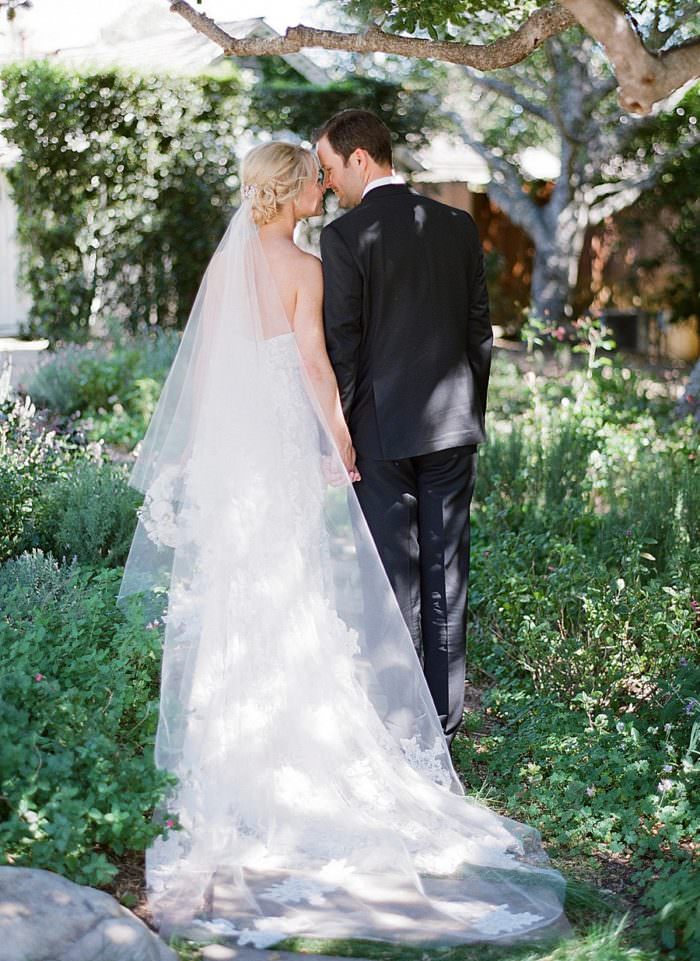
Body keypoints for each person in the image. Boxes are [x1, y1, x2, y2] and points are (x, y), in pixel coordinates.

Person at [118, 141, 567, 949]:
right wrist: (339, 444)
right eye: (314, 183)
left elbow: (207, 361)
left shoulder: (225, 270)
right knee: (289, 588)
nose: (323, 192)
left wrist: (195, 451)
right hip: (281, 451)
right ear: (292, 195)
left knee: (235, 599)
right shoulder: (302, 268)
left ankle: (230, 758)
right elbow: (318, 368)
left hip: (232, 457)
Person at [317, 109, 492, 747]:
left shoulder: (343, 238)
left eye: (331, 168)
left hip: (378, 436)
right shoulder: (457, 225)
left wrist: (344, 430)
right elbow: (480, 333)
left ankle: (397, 727)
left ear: (360, 158)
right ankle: (441, 728)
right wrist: (467, 409)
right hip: (451, 427)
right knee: (447, 575)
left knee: (391, 580)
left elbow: (345, 346)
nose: (328, 182)